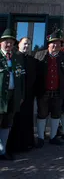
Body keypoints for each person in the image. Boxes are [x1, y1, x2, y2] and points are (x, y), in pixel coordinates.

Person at [35, 29, 64, 147]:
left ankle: (53, 137)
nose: (55, 45)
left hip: (58, 90)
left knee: (56, 114)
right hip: (43, 91)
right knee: (42, 114)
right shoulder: (39, 55)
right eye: (53, 43)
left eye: (58, 43)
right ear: (48, 44)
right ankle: (41, 137)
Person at [7, 37, 36, 154]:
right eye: (24, 44)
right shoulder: (13, 57)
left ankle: (26, 143)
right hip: (16, 95)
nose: (27, 46)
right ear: (19, 44)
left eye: (29, 44)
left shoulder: (32, 60)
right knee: (15, 120)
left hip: (28, 95)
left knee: (27, 119)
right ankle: (14, 145)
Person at [0, 29, 25, 160]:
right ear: (1, 43)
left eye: (11, 42)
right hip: (0, 97)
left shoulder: (16, 58)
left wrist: (21, 95)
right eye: (6, 42)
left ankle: (3, 151)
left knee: (7, 123)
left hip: (13, 96)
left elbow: (21, 79)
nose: (9, 45)